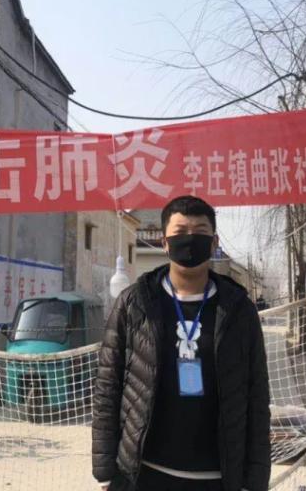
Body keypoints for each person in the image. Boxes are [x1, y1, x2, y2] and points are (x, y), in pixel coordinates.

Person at [93, 196, 271, 491]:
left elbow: (257, 397)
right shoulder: (134, 303)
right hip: (144, 474)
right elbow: (107, 387)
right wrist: (105, 472)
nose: (189, 240)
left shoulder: (239, 310)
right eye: (179, 232)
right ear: (164, 242)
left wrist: (255, 481)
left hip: (218, 477)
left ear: (214, 243)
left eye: (200, 232)